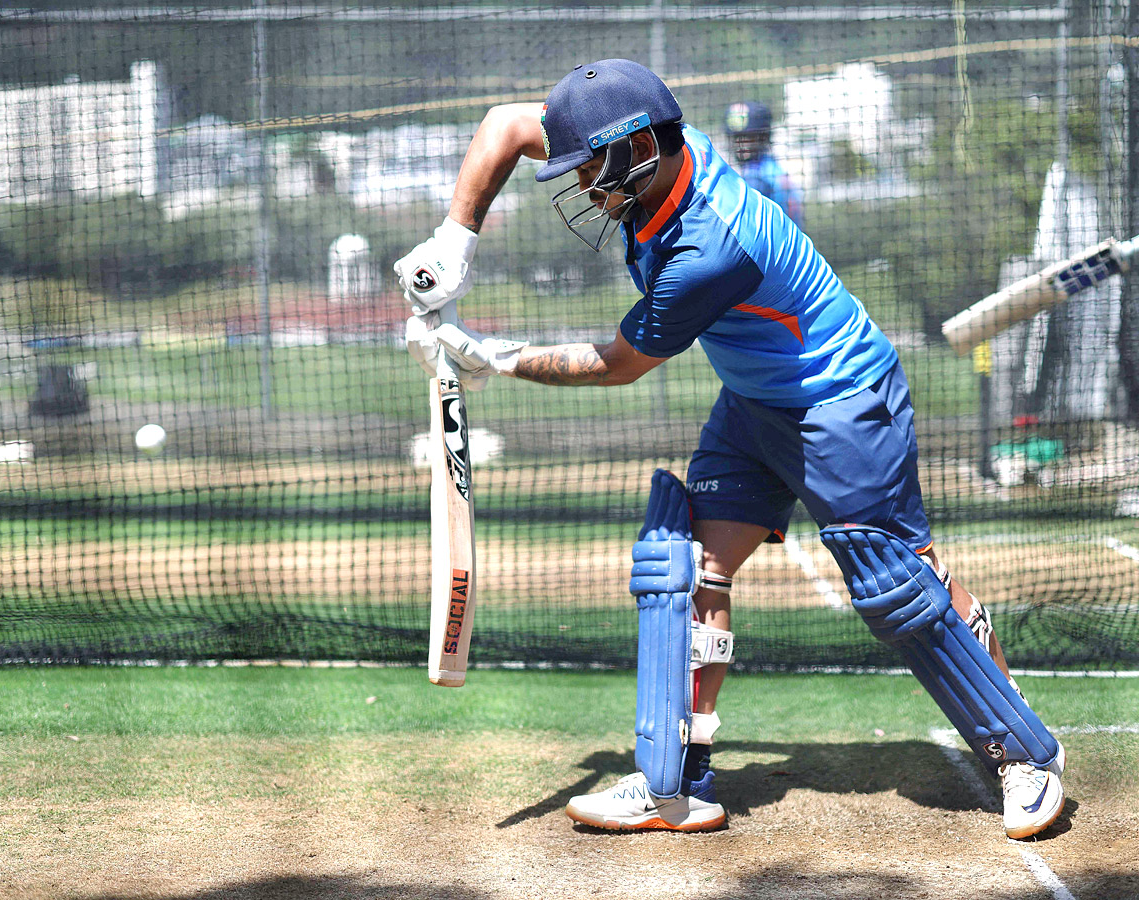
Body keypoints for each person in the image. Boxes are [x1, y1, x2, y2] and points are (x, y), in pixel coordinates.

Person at [393, 59, 1066, 840]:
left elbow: (618, 365)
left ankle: (1023, 752)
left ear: (635, 150)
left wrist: (494, 357)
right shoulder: (650, 153)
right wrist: (454, 243)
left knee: (900, 590)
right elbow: (508, 126)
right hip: (753, 403)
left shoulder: (712, 244)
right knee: (686, 573)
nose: (581, 188)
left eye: (589, 171)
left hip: (841, 403)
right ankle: (679, 784)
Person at [722, 99, 804, 230]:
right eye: (736, 137)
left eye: (748, 137)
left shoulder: (756, 178)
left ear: (763, 137)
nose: (740, 144)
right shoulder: (773, 168)